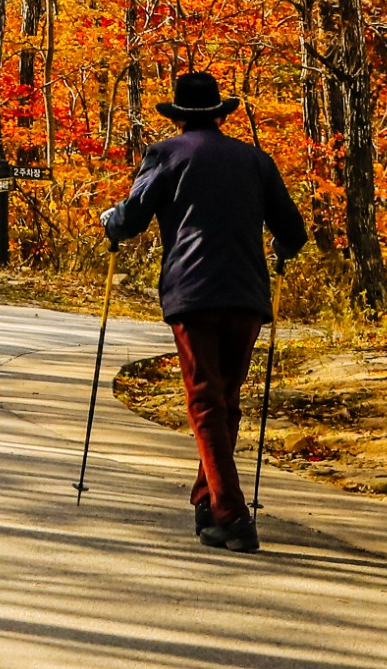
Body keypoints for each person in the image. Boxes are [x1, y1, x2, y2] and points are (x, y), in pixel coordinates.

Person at [102, 69, 308, 553]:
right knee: (224, 402)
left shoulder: (166, 155)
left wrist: (111, 221)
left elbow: (130, 221)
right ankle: (207, 501)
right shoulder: (256, 159)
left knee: (205, 403)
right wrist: (276, 247)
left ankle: (234, 517)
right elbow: (293, 234)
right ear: (219, 114)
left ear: (178, 117)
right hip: (247, 297)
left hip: (193, 294)